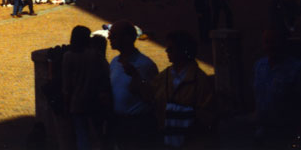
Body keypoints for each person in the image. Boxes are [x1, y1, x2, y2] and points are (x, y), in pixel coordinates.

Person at [146, 30, 215, 148]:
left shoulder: (200, 80)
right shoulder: (164, 76)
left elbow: (208, 116)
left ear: (183, 50)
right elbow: (150, 97)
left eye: (171, 49)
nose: (167, 51)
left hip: (191, 141)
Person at [252, 28, 301, 147]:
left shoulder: (297, 69)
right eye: (266, 42)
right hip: (262, 134)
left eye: (273, 42)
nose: (269, 46)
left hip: (286, 136)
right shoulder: (259, 66)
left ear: (283, 43)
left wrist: (300, 137)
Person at [108, 20, 159, 148]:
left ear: (127, 38)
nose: (109, 38)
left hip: (137, 125)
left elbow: (152, 97)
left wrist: (136, 77)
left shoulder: (145, 65)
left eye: (114, 35)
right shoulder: (114, 62)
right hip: (119, 123)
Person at [62, 26, 111, 150]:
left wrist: (66, 102)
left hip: (77, 102)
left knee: (81, 135)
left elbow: (66, 84)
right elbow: (106, 73)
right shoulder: (95, 55)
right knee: (97, 134)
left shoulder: (68, 56)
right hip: (94, 100)